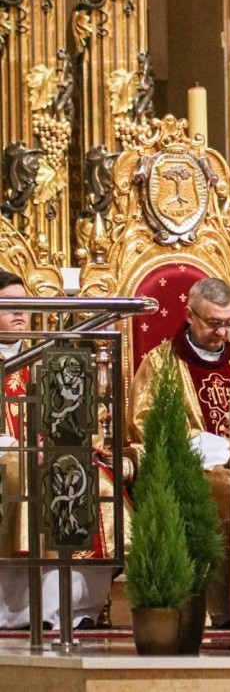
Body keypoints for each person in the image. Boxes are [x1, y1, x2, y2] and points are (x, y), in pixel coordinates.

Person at [0, 270, 111, 631]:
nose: (21, 314)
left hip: (43, 456)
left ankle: (77, 609)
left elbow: (82, 418)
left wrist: (62, 445)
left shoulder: (47, 359)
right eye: (9, 306)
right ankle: (20, 610)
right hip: (8, 460)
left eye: (25, 305)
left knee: (96, 480)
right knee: (22, 475)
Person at [128, 276, 230, 627]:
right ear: (189, 314)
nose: (223, 333)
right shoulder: (160, 364)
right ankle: (216, 608)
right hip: (198, 466)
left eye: (229, 323)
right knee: (223, 486)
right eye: (214, 323)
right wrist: (221, 450)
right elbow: (148, 424)